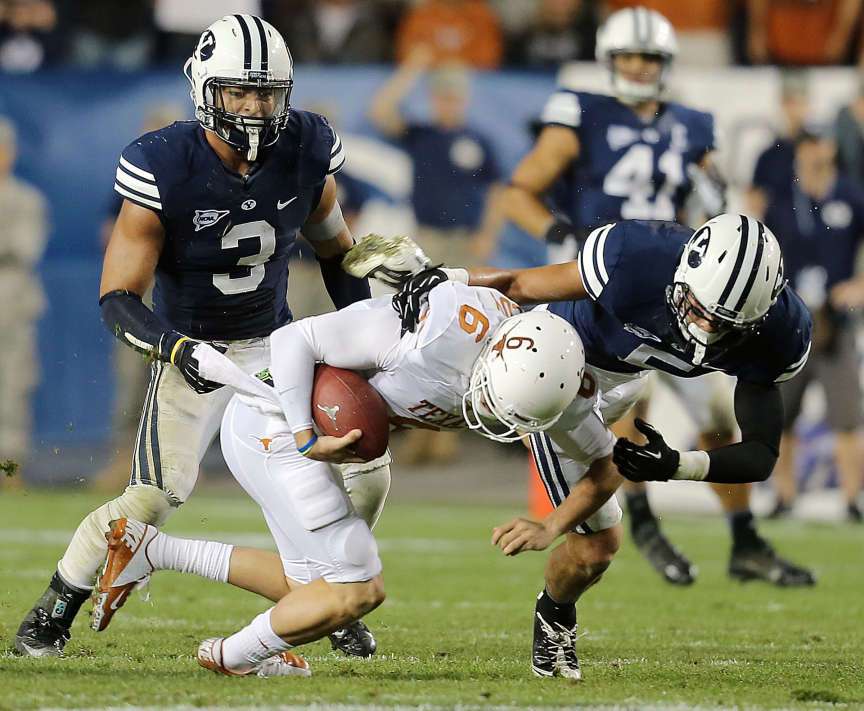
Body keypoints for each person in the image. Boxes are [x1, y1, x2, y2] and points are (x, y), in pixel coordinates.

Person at [14, 14, 386, 659]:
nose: (253, 106)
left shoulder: (306, 147)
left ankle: (331, 592)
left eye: (266, 92)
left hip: (278, 346)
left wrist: (372, 339)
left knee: (360, 473)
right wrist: (178, 350)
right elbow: (118, 298)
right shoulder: (164, 162)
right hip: (194, 348)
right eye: (238, 91)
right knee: (153, 497)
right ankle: (51, 612)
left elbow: (337, 253)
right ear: (203, 89)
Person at [352, 213, 816, 677]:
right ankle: (332, 577)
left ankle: (553, 612)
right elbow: (519, 284)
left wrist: (674, 464)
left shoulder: (780, 332)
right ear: (683, 276)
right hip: (549, 358)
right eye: (699, 310)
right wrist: (449, 279)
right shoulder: (638, 256)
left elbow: (761, 454)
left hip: (625, 380)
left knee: (596, 550)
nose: (706, 331)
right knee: (371, 413)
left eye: (724, 324)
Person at [93, 279, 616, 679]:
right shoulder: (440, 330)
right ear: (493, 358)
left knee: (312, 589)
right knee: (358, 589)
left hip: (304, 437)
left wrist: (553, 526)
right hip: (274, 424)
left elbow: (606, 462)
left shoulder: (565, 390)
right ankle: (232, 657)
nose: (497, 419)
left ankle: (152, 551)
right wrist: (303, 433)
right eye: (495, 402)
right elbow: (293, 337)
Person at [498, 6, 807, 588]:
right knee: (622, 415)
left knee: (717, 417)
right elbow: (520, 191)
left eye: (649, 58)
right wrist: (564, 238)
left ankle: (743, 540)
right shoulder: (581, 112)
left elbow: (717, 201)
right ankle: (643, 525)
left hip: (690, 291)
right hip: (612, 290)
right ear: (609, 61)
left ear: (665, 64)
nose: (638, 68)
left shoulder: (691, 123)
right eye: (628, 57)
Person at [369, 46, 504, 464]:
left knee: (462, 334)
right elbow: (381, 111)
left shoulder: (476, 140)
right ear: (434, 98)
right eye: (441, 95)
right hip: (427, 241)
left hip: (462, 242)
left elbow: (498, 191)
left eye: (453, 95)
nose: (447, 102)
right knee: (418, 332)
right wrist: (411, 68)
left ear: (462, 99)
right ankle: (420, 429)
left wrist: (487, 234)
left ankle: (448, 432)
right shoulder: (423, 134)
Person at [762, 128, 864, 522]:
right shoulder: (783, 200)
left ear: (832, 148)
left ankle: (852, 499)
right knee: (782, 416)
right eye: (806, 147)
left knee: (846, 416)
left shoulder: (852, 195)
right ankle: (784, 496)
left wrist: (859, 284)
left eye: (819, 144)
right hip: (792, 321)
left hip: (836, 322)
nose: (812, 154)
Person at [0, 116, 48, 488]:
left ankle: (9, 468)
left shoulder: (26, 199)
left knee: (13, 387)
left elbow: (23, 249)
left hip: (11, 302)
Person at [746, 70, 811, 219]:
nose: (795, 109)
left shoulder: (820, 150)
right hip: (778, 235)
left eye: (800, 102)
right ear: (783, 104)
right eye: (790, 102)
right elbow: (754, 202)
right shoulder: (768, 157)